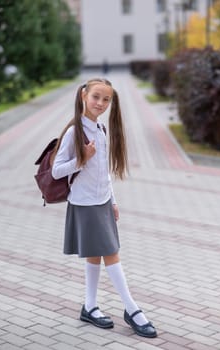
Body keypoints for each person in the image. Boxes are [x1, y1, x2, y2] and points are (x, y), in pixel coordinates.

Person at [52, 78, 157, 338]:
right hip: (85, 203)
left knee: (97, 254)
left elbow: (104, 173)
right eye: (96, 97)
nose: (100, 103)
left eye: (106, 99)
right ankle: (132, 309)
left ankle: (89, 307)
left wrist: (113, 200)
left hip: (101, 202)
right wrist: (81, 159)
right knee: (111, 253)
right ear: (83, 96)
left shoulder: (100, 129)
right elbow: (56, 171)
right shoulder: (74, 132)